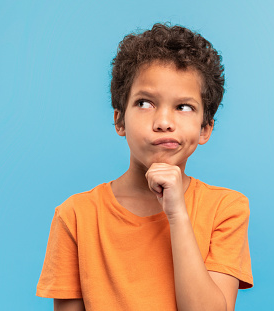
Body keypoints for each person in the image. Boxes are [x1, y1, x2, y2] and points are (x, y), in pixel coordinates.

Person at [36, 23, 253, 311]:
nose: (164, 121)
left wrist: (177, 216)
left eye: (184, 107)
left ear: (205, 128)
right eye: (145, 103)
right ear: (119, 121)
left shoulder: (226, 208)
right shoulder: (75, 216)